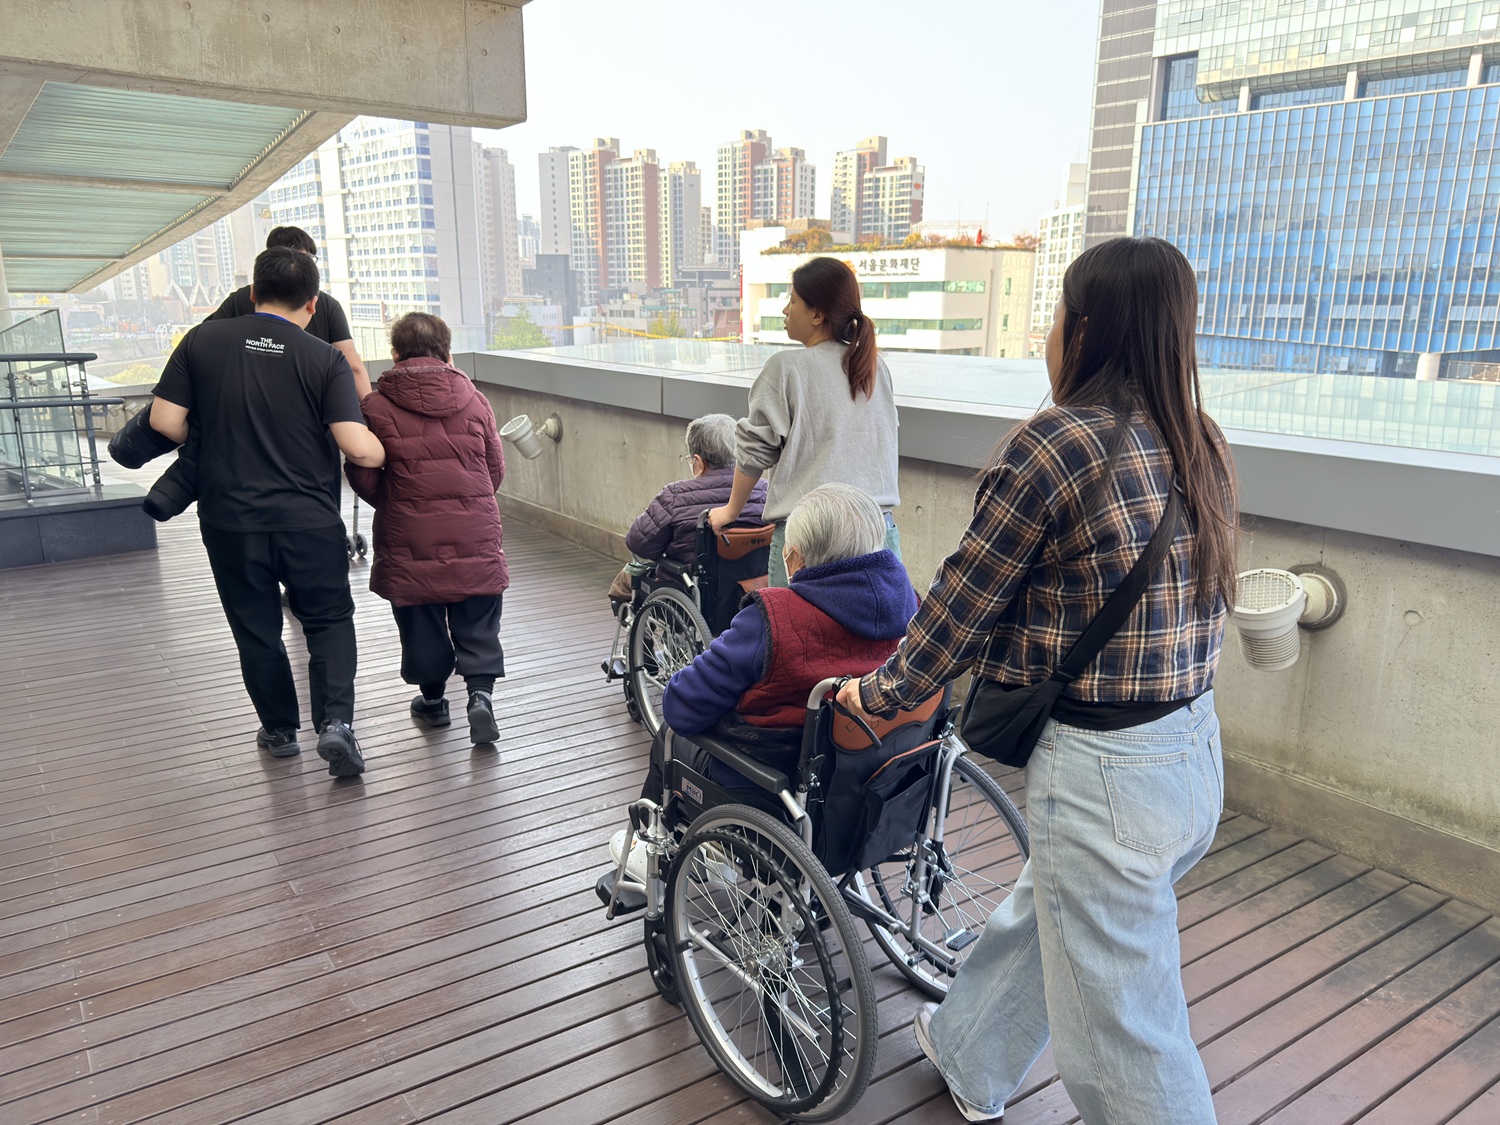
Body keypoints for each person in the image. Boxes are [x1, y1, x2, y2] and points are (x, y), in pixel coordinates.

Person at [835, 237, 1239, 1124]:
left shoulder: (1056, 443)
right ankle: (969, 1048)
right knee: (1050, 908)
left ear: (1085, 327)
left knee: (1127, 1040)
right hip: (1193, 752)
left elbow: (962, 604)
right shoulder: (1200, 440)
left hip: (1104, 773)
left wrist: (880, 693)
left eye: (1058, 313)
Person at [148, 247, 386, 777]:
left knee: (255, 627)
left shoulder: (202, 340)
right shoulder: (323, 358)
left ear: (253, 293)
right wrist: (391, 449)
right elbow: (358, 448)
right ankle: (336, 724)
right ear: (313, 303)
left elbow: (164, 421)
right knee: (327, 620)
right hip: (308, 520)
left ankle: (279, 731)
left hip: (230, 519)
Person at [611, 484, 917, 878]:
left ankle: (653, 850)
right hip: (869, 789)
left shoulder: (775, 618)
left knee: (670, 736)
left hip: (772, 791)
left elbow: (682, 706)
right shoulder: (912, 607)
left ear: (794, 557)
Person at [109, 225, 372, 520]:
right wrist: (374, 417)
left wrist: (209, 436)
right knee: (314, 519)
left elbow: (174, 402)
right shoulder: (326, 311)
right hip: (305, 457)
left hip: (232, 469)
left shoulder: (233, 307)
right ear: (311, 302)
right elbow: (353, 368)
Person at [345, 313, 510, 745]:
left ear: (395, 353)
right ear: (446, 352)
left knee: (419, 615)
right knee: (478, 614)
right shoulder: (476, 400)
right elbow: (494, 470)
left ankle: (434, 702)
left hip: (409, 533)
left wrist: (397, 502)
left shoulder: (375, 407)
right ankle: (480, 696)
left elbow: (363, 475)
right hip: (474, 528)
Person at [707, 257, 900, 587]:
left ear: (816, 314)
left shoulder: (786, 368)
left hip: (811, 537)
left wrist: (730, 512)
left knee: (794, 622)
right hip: (877, 531)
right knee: (878, 622)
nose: (785, 310)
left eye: (793, 300)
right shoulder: (873, 367)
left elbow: (754, 452)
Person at [606, 413, 768, 602]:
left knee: (626, 580)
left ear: (698, 462)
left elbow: (638, 544)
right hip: (751, 593)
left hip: (690, 595)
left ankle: (628, 617)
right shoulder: (764, 491)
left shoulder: (675, 495)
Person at [207, 225, 372, 397]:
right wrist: (370, 409)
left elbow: (208, 349)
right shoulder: (326, 304)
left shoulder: (239, 299)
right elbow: (353, 367)